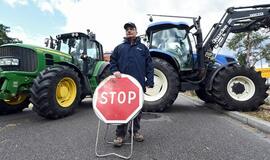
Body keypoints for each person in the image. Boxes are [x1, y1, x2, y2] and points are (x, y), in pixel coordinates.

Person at [110, 22, 154, 147]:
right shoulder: (119, 48)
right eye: (127, 29)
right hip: (122, 86)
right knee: (122, 110)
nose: (129, 31)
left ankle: (135, 132)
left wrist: (149, 81)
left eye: (131, 29)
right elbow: (112, 62)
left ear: (136, 31)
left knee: (137, 110)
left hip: (138, 85)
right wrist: (115, 70)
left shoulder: (143, 48)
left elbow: (149, 66)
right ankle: (120, 135)